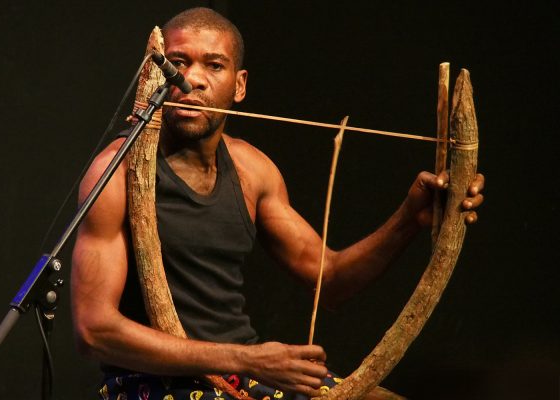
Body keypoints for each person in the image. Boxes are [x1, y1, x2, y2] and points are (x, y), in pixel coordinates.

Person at [71, 7, 485, 400]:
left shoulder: (253, 170)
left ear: (239, 85)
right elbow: (94, 329)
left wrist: (410, 217)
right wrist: (246, 357)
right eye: (177, 62)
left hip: (244, 376)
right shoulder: (115, 172)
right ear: (154, 75)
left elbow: (331, 279)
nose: (192, 79)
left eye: (214, 65)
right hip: (152, 384)